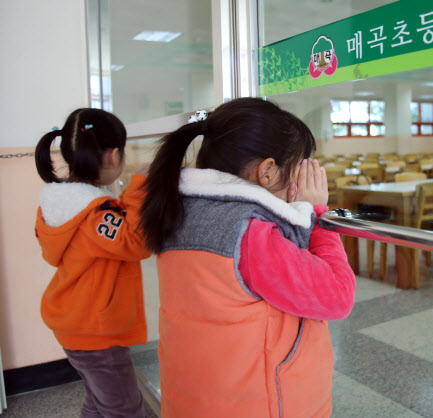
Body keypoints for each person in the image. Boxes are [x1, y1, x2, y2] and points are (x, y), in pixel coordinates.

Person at [139, 98, 356, 418]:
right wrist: (317, 215)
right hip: (257, 405)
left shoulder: (179, 212)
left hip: (196, 398)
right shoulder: (251, 234)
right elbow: (337, 296)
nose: (300, 185)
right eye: (298, 170)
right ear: (267, 171)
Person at [34, 108, 151, 418]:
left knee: (100, 403)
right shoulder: (93, 213)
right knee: (125, 410)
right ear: (114, 157)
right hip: (95, 333)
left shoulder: (61, 204)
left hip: (75, 323)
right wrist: (139, 186)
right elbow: (137, 241)